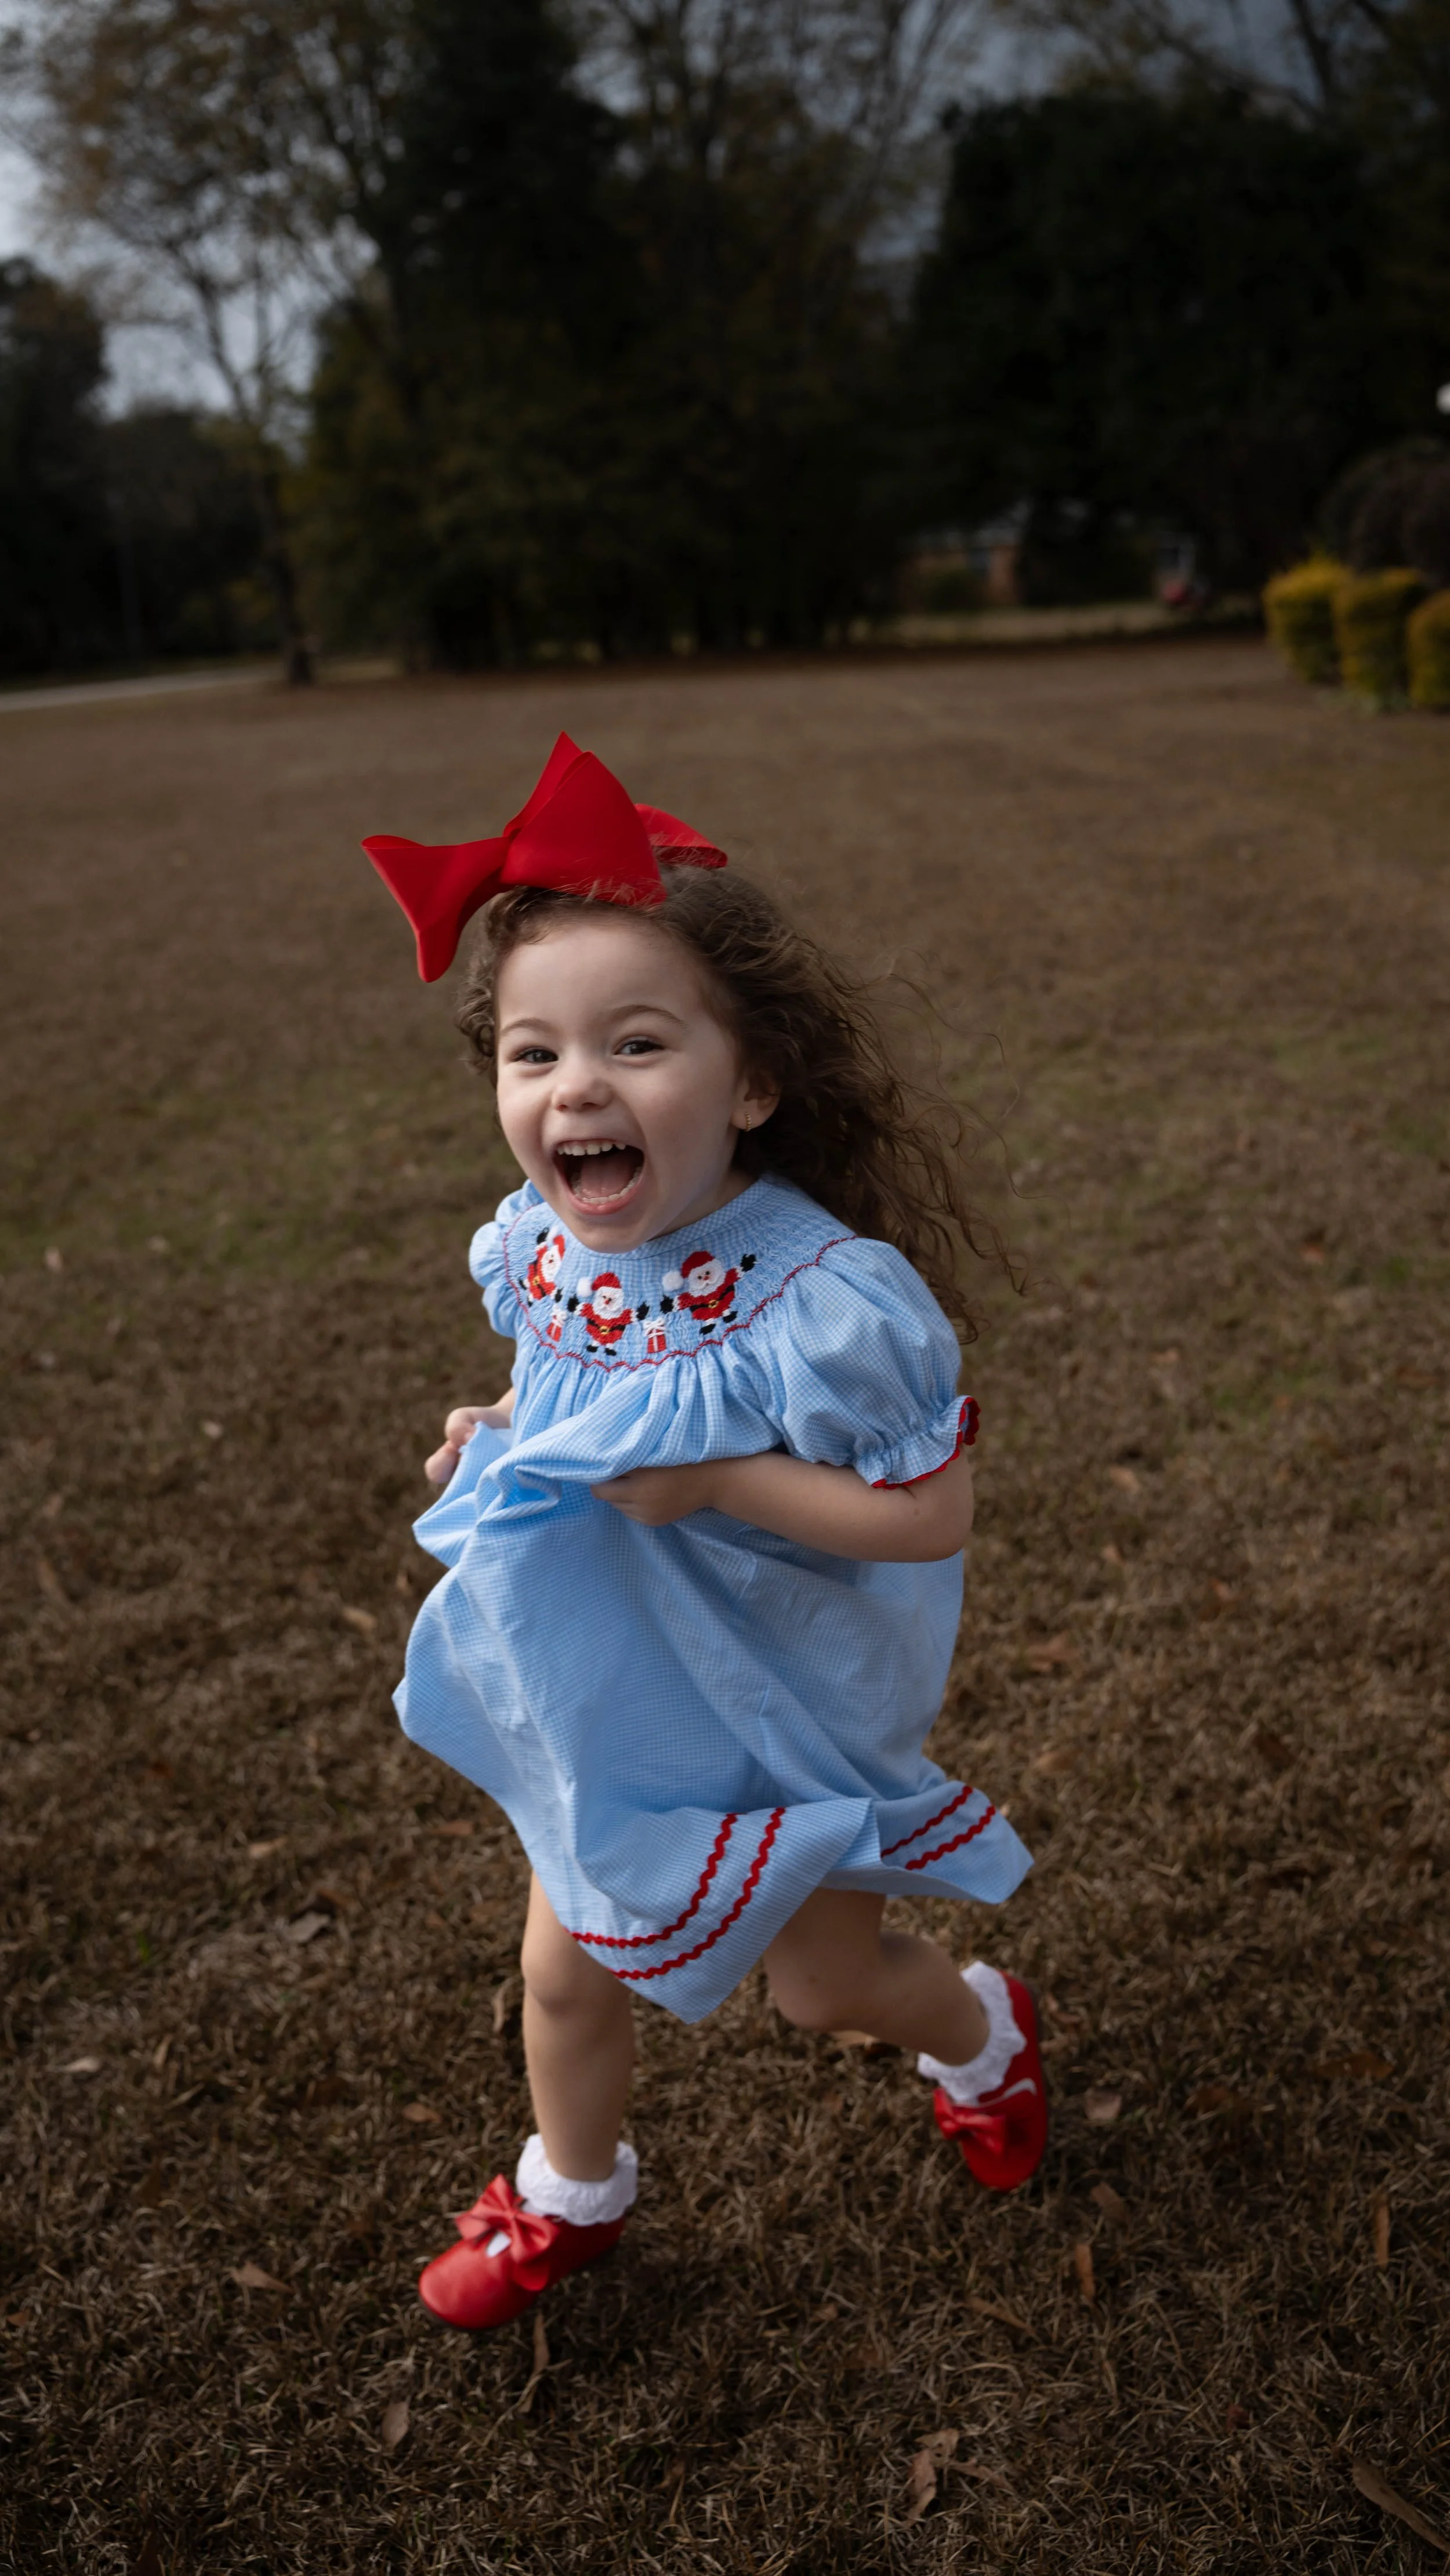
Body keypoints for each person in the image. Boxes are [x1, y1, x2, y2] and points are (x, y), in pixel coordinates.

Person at [361, 733, 1046, 2334]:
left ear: (748, 1084)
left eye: (636, 1043)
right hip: (608, 1684)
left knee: (828, 1991)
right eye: (532, 1056)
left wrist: (719, 1486)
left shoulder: (824, 1302)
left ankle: (983, 2037)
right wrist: (512, 1426)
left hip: (776, 1698)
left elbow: (928, 1508)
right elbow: (586, 1386)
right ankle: (569, 2194)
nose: (575, 1087)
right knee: (561, 1970)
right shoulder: (539, 1246)